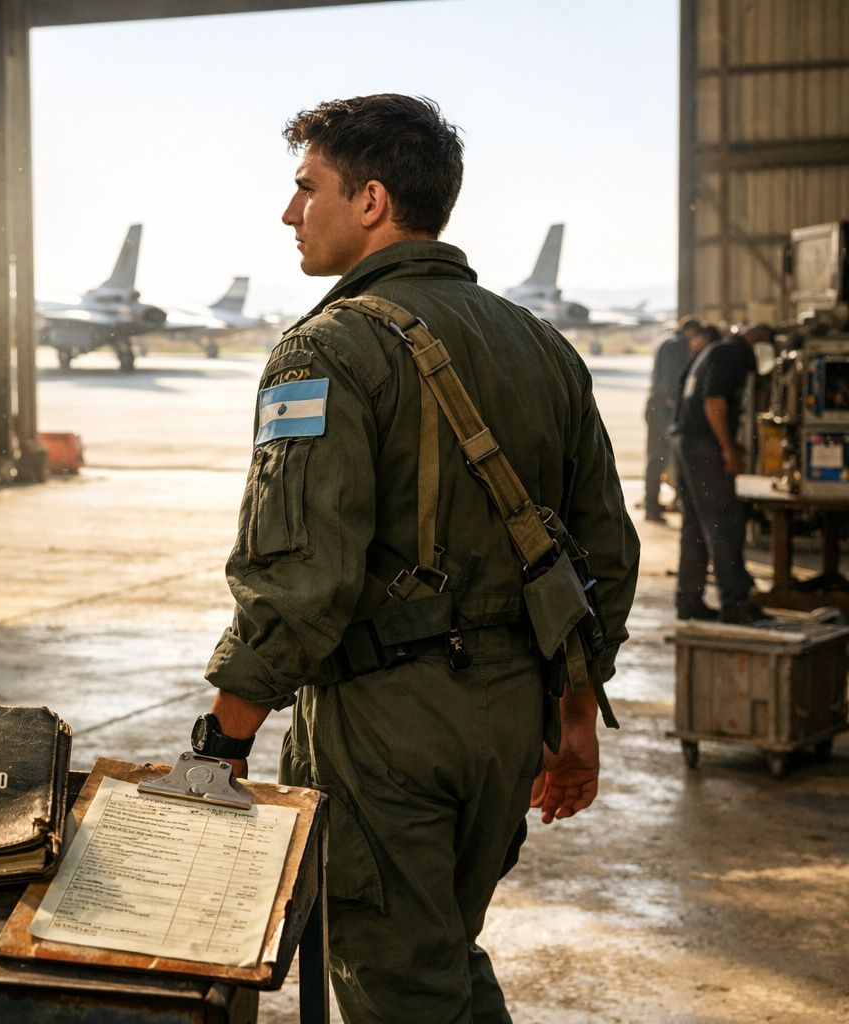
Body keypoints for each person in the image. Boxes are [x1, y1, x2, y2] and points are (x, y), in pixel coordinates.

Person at [186, 94, 638, 1022]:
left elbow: (301, 578)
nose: (288, 212)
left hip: (388, 727)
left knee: (399, 983)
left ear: (371, 202)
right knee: (441, 959)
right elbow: (604, 554)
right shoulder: (542, 344)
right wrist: (573, 717)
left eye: (307, 187)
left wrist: (222, 741)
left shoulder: (326, 348)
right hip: (509, 723)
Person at [670, 321, 758, 622]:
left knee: (695, 525)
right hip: (702, 445)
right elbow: (714, 402)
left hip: (684, 440)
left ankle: (688, 600)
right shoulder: (731, 354)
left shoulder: (710, 353)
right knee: (724, 523)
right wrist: (728, 448)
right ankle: (735, 603)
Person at [644, 326, 693, 522]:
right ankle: (653, 506)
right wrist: (674, 403)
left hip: (656, 406)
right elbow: (672, 379)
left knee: (656, 457)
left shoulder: (665, 340)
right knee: (662, 457)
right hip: (663, 409)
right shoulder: (676, 344)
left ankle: (652, 504)